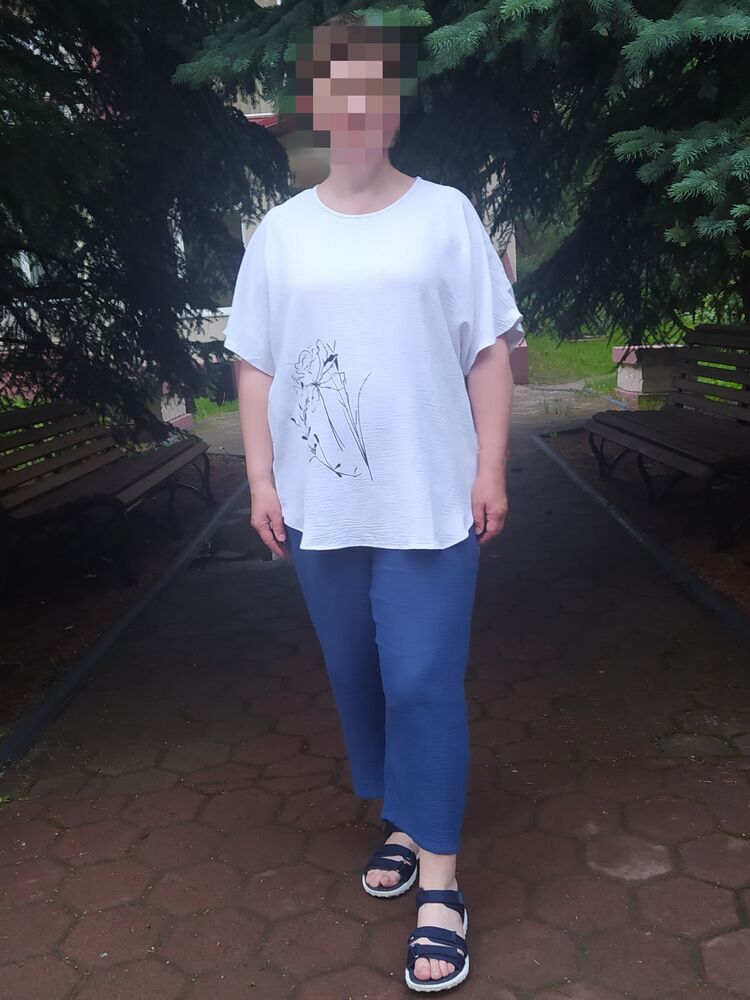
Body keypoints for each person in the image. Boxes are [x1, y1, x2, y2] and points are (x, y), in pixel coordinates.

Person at [224, 11, 524, 992]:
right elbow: (255, 363)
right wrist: (261, 478)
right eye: (339, 90)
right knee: (359, 675)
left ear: (395, 103)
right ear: (314, 105)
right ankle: (404, 813)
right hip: (323, 508)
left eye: (375, 89)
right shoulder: (281, 235)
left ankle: (441, 885)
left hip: (431, 499)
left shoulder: (446, 216)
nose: (358, 107)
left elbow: (490, 352)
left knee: (424, 678)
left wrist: (491, 467)